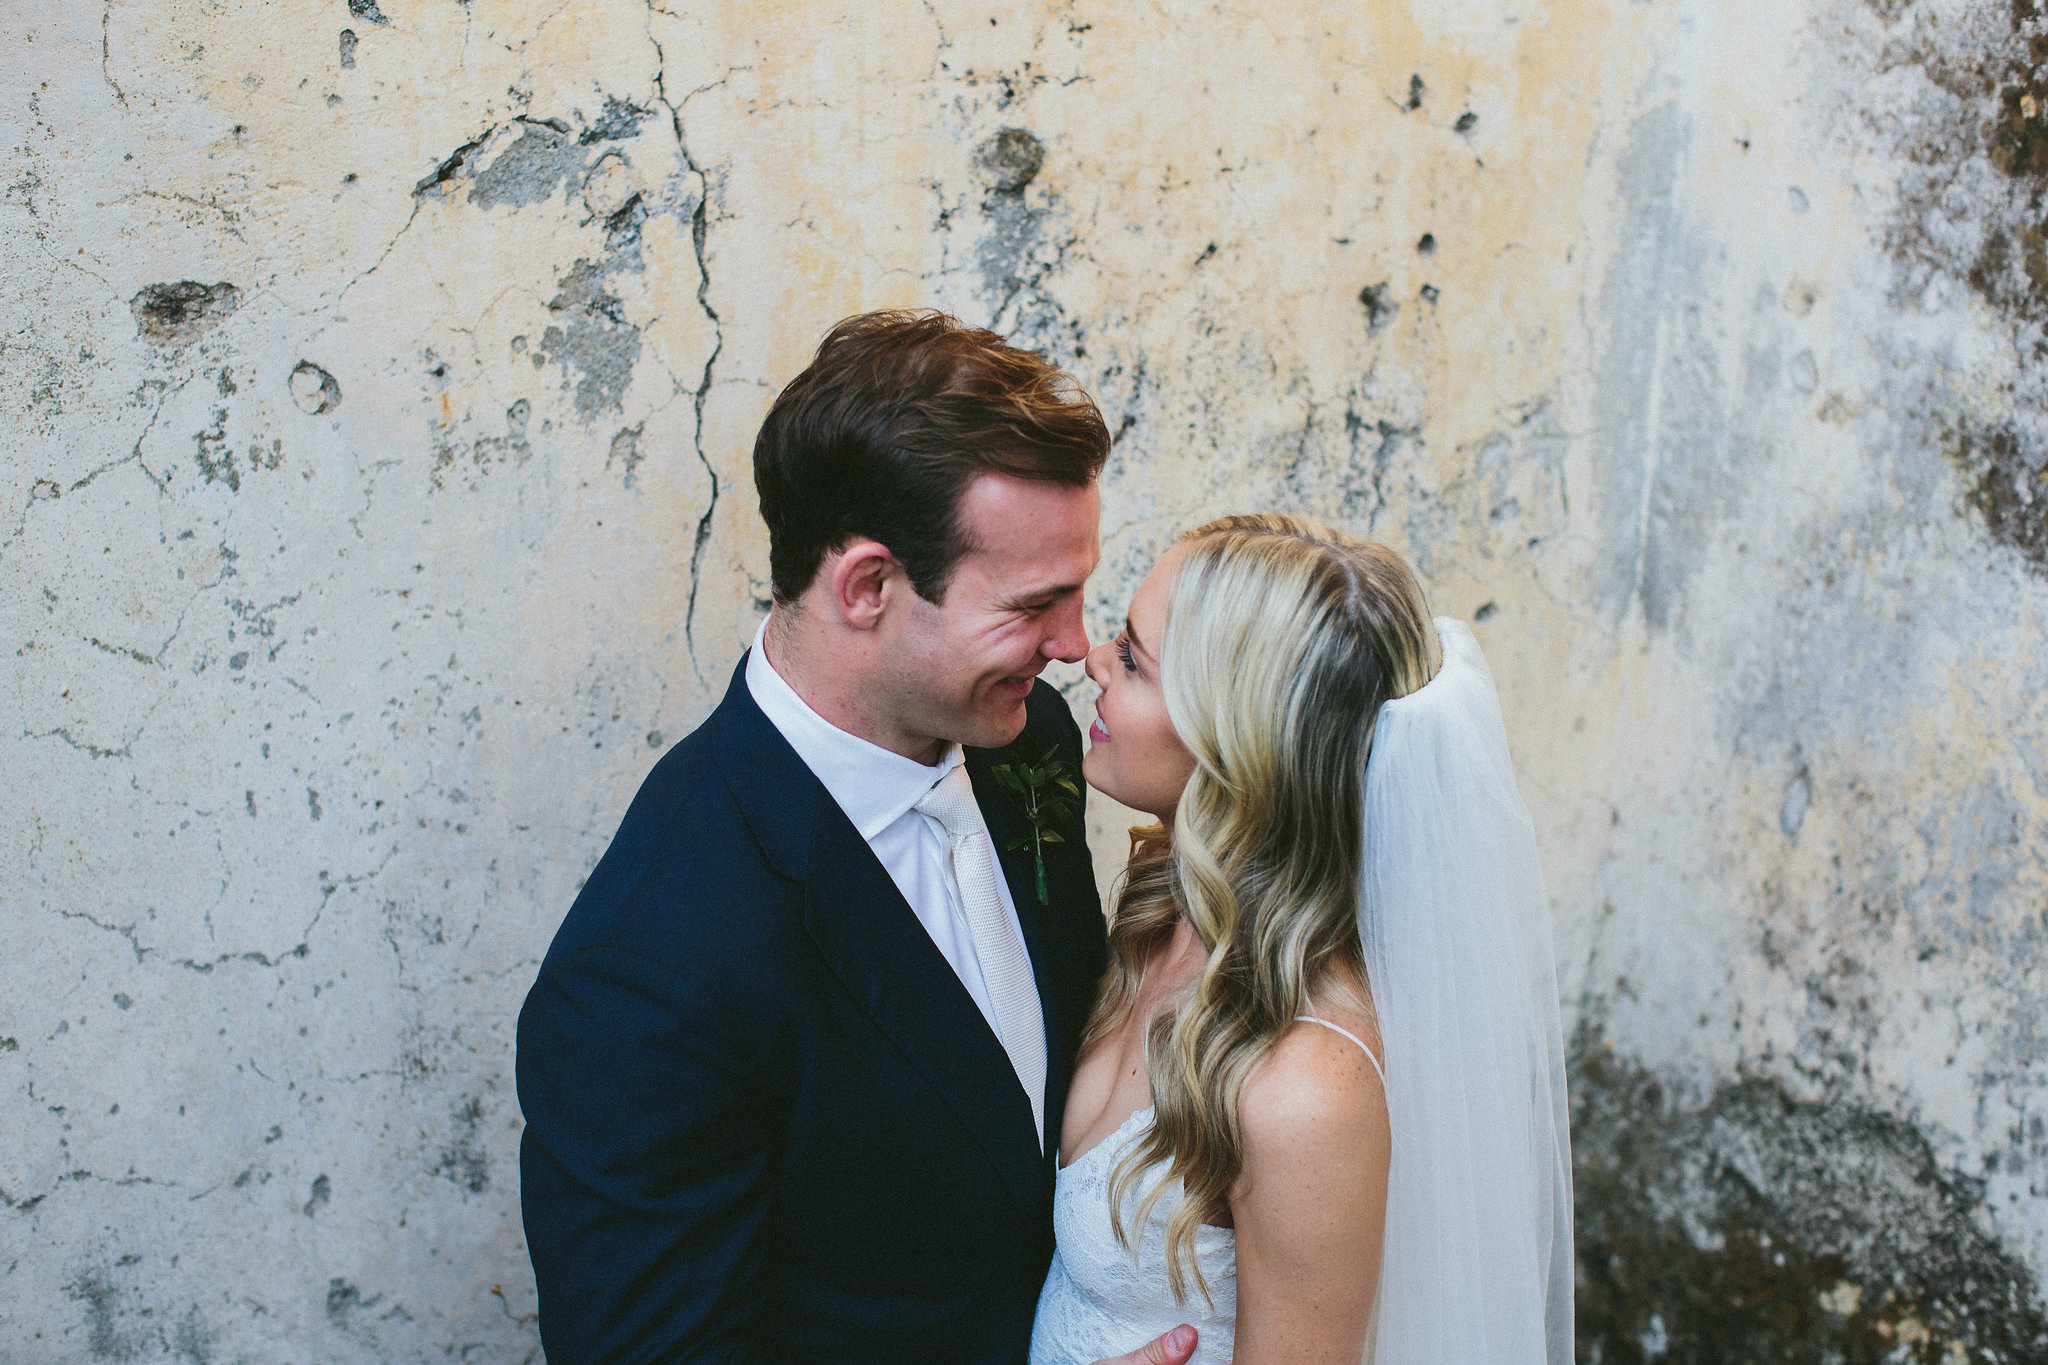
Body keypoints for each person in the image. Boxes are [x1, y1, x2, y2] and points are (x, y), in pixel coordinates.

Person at [517, 310, 1199, 1365]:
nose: (1073, 646)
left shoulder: (1027, 743)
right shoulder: (650, 966)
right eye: (1034, 606)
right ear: (868, 588)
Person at [1031, 515, 1574, 1364]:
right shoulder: (1159, 909)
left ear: (1232, 745)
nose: (1093, 658)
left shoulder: (1305, 1089)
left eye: (1133, 659)